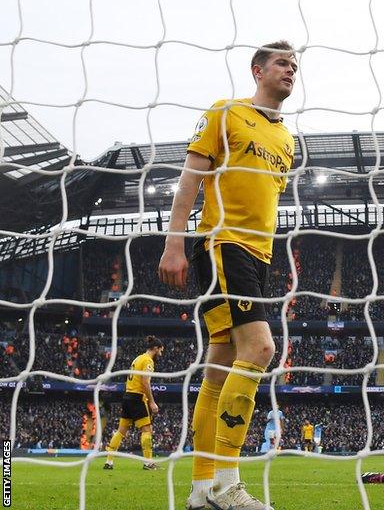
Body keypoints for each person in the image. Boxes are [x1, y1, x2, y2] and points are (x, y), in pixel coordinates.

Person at [158, 40, 297, 510]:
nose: (290, 70)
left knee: (218, 365)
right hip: (223, 244)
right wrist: (174, 242)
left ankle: (201, 490)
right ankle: (226, 485)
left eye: (295, 65)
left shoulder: (287, 140)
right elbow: (190, 178)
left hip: (258, 256)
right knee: (260, 349)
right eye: (282, 62)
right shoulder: (226, 112)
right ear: (257, 70)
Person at [104, 336, 164, 470]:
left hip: (127, 397)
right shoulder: (148, 361)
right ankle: (148, 463)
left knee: (121, 431)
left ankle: (109, 461)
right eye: (160, 351)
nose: (160, 354)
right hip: (137, 398)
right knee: (147, 430)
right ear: (155, 348)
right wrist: (152, 402)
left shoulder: (138, 358)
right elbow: (145, 382)